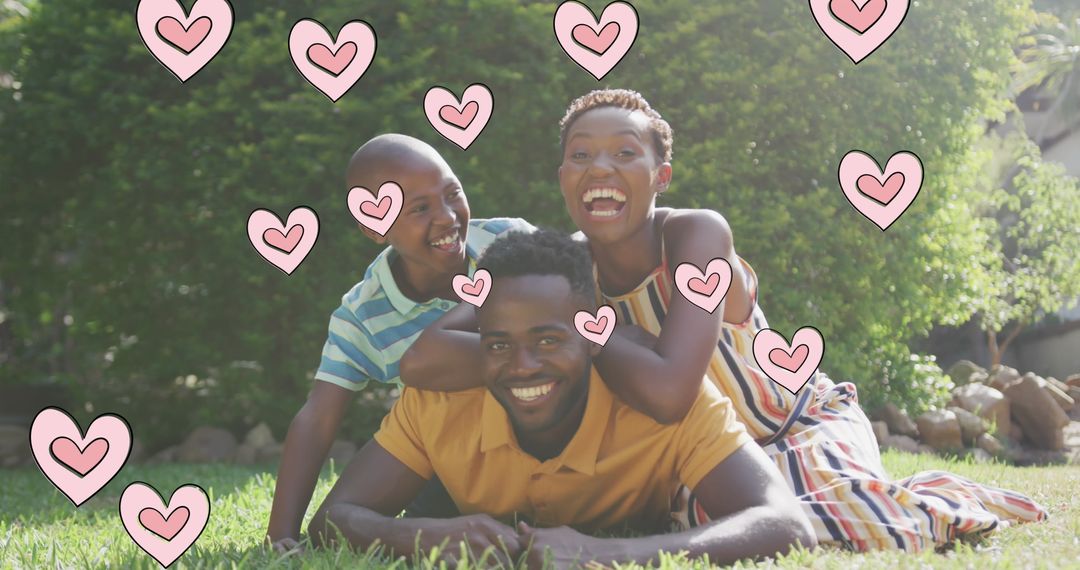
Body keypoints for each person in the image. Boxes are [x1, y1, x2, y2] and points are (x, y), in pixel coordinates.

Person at [400, 90, 1048, 552]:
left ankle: (941, 497)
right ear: (563, 177)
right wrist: (524, 339)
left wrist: (593, 328)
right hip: (703, 456)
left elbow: (670, 387)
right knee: (703, 530)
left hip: (794, 425)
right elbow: (424, 358)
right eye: (582, 155)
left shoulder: (695, 235)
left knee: (826, 518)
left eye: (626, 153)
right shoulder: (556, 266)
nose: (601, 167)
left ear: (661, 175)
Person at [308, 229, 816, 567]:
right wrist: (420, 537)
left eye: (549, 341)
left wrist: (603, 555)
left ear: (594, 336)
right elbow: (332, 520)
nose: (523, 366)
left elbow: (785, 523)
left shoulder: (667, 408)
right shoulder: (439, 403)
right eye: (499, 344)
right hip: (446, 497)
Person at [265, 134, 534, 551]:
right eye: (420, 208)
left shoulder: (510, 243)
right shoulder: (364, 314)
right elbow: (317, 418)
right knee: (339, 525)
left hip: (547, 434)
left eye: (452, 193)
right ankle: (438, 534)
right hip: (456, 468)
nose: (446, 217)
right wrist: (280, 533)